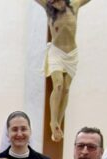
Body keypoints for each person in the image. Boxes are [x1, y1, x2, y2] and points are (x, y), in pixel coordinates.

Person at [34, 0, 92, 142]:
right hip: (56, 52)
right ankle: (53, 122)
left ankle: (58, 124)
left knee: (66, 89)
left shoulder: (74, 5)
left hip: (71, 53)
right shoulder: (48, 7)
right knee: (58, 85)